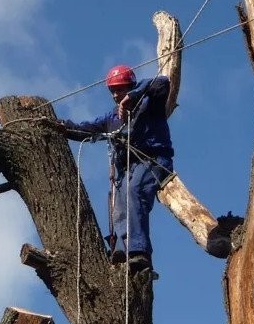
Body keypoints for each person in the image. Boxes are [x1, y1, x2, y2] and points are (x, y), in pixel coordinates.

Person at [59, 65, 173, 272]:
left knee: (133, 192)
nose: (115, 94)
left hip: (152, 160)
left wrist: (133, 95)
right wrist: (61, 127)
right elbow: (85, 129)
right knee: (117, 206)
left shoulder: (150, 102)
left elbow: (163, 82)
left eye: (120, 89)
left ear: (130, 86)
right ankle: (121, 252)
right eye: (112, 90)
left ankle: (139, 252)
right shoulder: (112, 118)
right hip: (126, 169)